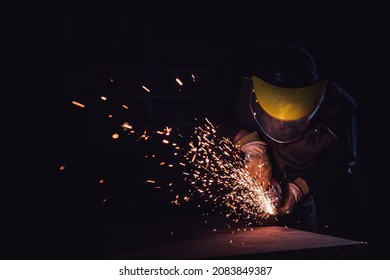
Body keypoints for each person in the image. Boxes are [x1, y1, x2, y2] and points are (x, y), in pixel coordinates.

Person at [190, 41, 363, 239]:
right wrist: (244, 139)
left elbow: (342, 160)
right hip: (236, 191)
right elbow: (198, 107)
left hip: (299, 195)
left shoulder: (340, 107)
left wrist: (299, 187)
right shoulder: (238, 81)